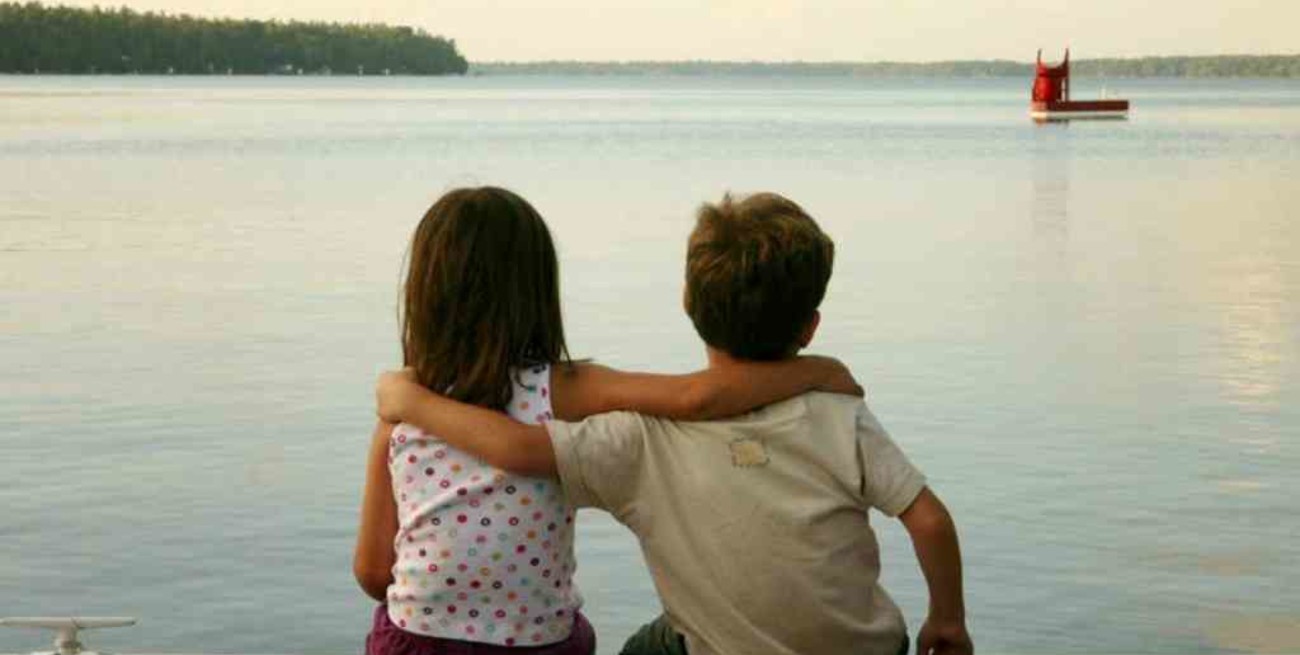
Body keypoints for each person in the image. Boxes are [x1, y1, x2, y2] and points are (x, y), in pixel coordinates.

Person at [374, 191, 973, 655]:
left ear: (690, 303)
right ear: (809, 325)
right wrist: (946, 618)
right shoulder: (842, 415)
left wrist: (406, 402)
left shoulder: (636, 440)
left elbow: (511, 453)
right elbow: (929, 519)